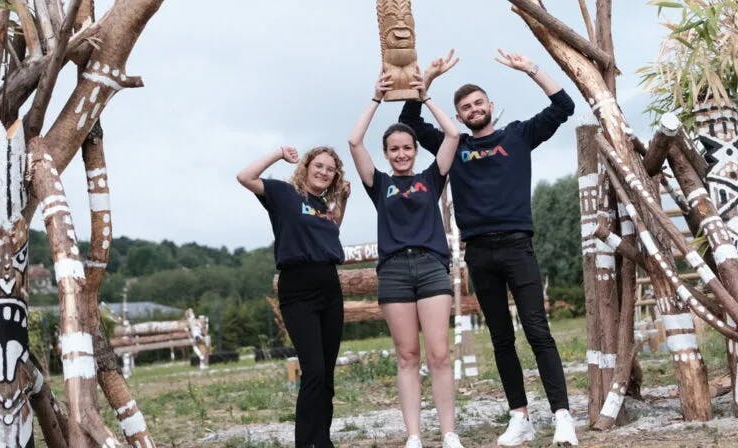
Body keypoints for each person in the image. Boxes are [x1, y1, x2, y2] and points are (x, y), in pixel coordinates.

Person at [399, 49, 579, 446]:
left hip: (517, 246)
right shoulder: (455, 146)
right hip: (478, 252)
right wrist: (426, 79)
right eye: (465, 107)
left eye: (479, 102)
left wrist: (530, 68)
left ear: (490, 106)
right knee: (500, 338)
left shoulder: (517, 135)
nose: (473, 109)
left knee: (537, 331)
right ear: (459, 116)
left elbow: (564, 106)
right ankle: (520, 418)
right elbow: (407, 124)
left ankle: (562, 416)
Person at [348, 70, 464, 448]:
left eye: (407, 148)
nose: (401, 154)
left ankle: (448, 433)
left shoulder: (432, 178)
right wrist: (376, 98)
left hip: (431, 268)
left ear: (415, 151)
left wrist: (426, 96)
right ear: (386, 154)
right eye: (394, 149)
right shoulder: (379, 184)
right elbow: (354, 141)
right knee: (407, 355)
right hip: (395, 273)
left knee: (440, 353)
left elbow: (453, 135)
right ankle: (414, 436)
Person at [236, 145, 350, 448]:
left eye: (330, 169)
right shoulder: (283, 194)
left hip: (329, 286)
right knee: (312, 371)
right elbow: (244, 176)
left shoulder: (324, 206)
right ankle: (304, 443)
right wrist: (278, 153)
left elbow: (329, 233)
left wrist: (342, 201)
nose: (324, 172)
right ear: (307, 166)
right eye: (319, 165)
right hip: (298, 289)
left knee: (326, 374)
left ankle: (322, 441)